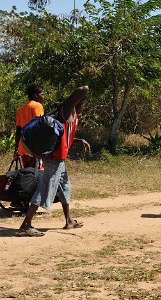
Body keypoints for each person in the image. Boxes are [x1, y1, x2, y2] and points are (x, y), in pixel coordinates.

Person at [18, 86, 90, 237]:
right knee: (44, 188)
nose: (85, 107)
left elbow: (64, 137)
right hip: (54, 159)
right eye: (83, 103)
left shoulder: (73, 115)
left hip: (60, 159)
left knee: (65, 187)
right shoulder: (66, 111)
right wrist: (86, 88)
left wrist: (79, 140)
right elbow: (80, 90)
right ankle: (26, 224)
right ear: (78, 102)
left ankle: (69, 220)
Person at [15, 84, 45, 168]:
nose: (44, 97)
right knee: (38, 175)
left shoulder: (21, 109)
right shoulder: (37, 105)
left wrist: (16, 148)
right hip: (34, 148)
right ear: (36, 95)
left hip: (23, 148)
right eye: (42, 94)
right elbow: (40, 125)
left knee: (28, 175)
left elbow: (18, 129)